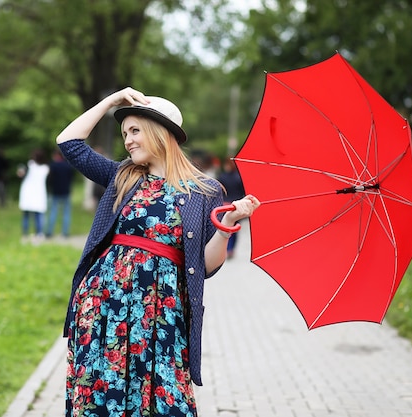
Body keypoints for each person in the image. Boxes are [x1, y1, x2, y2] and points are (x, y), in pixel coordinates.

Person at [55, 87, 260, 417]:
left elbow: (206, 266)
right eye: (125, 133)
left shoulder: (205, 192)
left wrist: (228, 224)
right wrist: (111, 102)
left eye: (135, 130)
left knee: (167, 399)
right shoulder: (122, 176)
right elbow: (69, 144)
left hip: (162, 314)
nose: (128, 140)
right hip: (105, 306)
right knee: (101, 395)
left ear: (161, 133)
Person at [17, 149, 49, 244]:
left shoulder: (29, 166)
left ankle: (25, 236)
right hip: (39, 195)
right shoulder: (45, 168)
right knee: (38, 216)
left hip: (28, 194)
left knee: (26, 216)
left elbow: (21, 174)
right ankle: (38, 235)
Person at [217, 158, 245, 258]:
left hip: (224, 205)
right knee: (234, 229)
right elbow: (243, 192)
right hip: (236, 206)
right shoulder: (238, 177)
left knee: (226, 227)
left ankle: (227, 248)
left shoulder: (222, 177)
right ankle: (231, 249)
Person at [45, 149, 76, 239]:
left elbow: (49, 179)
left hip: (55, 191)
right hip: (66, 191)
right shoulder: (67, 166)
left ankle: (49, 232)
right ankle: (65, 232)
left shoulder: (53, 166)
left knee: (53, 212)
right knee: (66, 213)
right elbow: (71, 178)